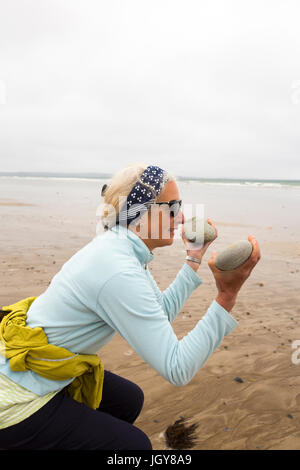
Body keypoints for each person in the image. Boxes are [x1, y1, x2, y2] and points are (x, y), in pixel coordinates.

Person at [0, 163, 261, 450]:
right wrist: (226, 295)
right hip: (15, 398)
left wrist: (193, 258)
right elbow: (178, 368)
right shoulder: (118, 269)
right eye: (172, 207)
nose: (182, 216)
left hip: (43, 369)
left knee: (128, 399)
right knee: (134, 446)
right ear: (140, 211)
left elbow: (158, 313)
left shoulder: (122, 249)